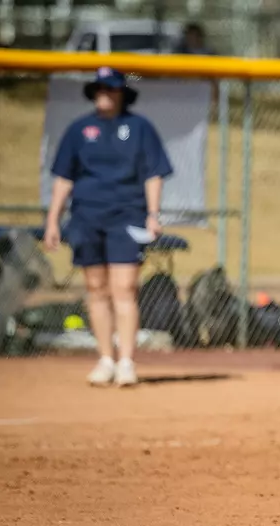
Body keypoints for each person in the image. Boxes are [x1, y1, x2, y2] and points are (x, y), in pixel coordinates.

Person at [44, 67, 173, 387]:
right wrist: (53, 220)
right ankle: (105, 358)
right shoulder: (79, 130)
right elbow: (64, 178)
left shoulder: (139, 127)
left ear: (121, 93)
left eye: (111, 88)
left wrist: (153, 215)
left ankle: (126, 361)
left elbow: (152, 174)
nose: (105, 94)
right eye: (100, 88)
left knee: (124, 288)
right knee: (96, 289)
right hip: (87, 216)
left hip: (127, 216)